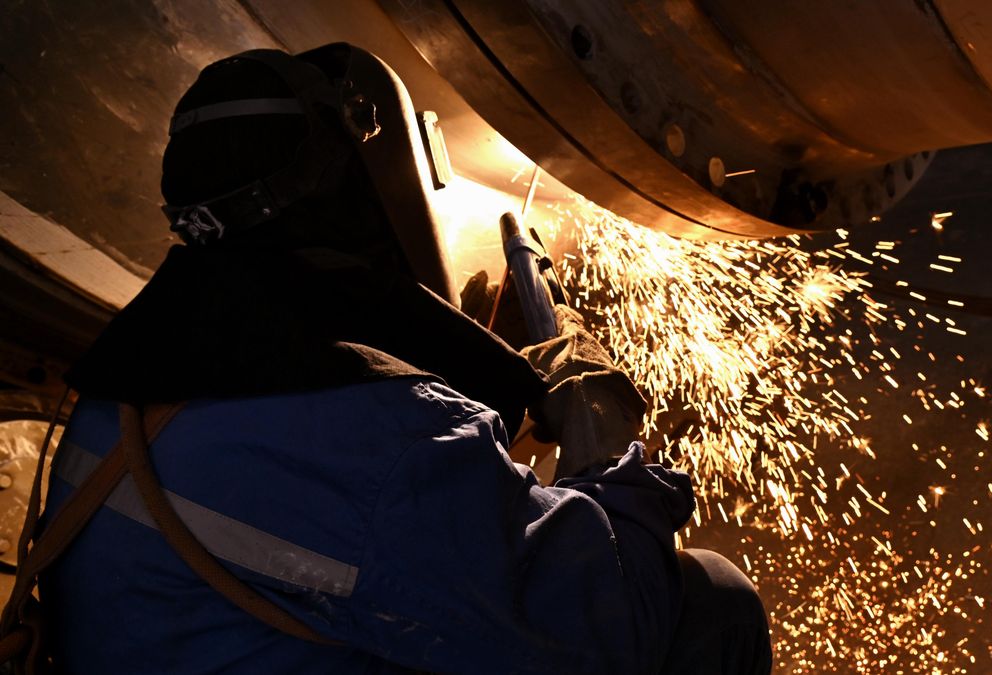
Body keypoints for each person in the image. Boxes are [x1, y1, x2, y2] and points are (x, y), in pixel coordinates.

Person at [31, 44, 771, 673]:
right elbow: (613, 616)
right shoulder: (370, 439)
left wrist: (486, 370)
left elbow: (329, 515)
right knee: (710, 603)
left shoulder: (138, 380)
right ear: (341, 191)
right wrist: (609, 455)